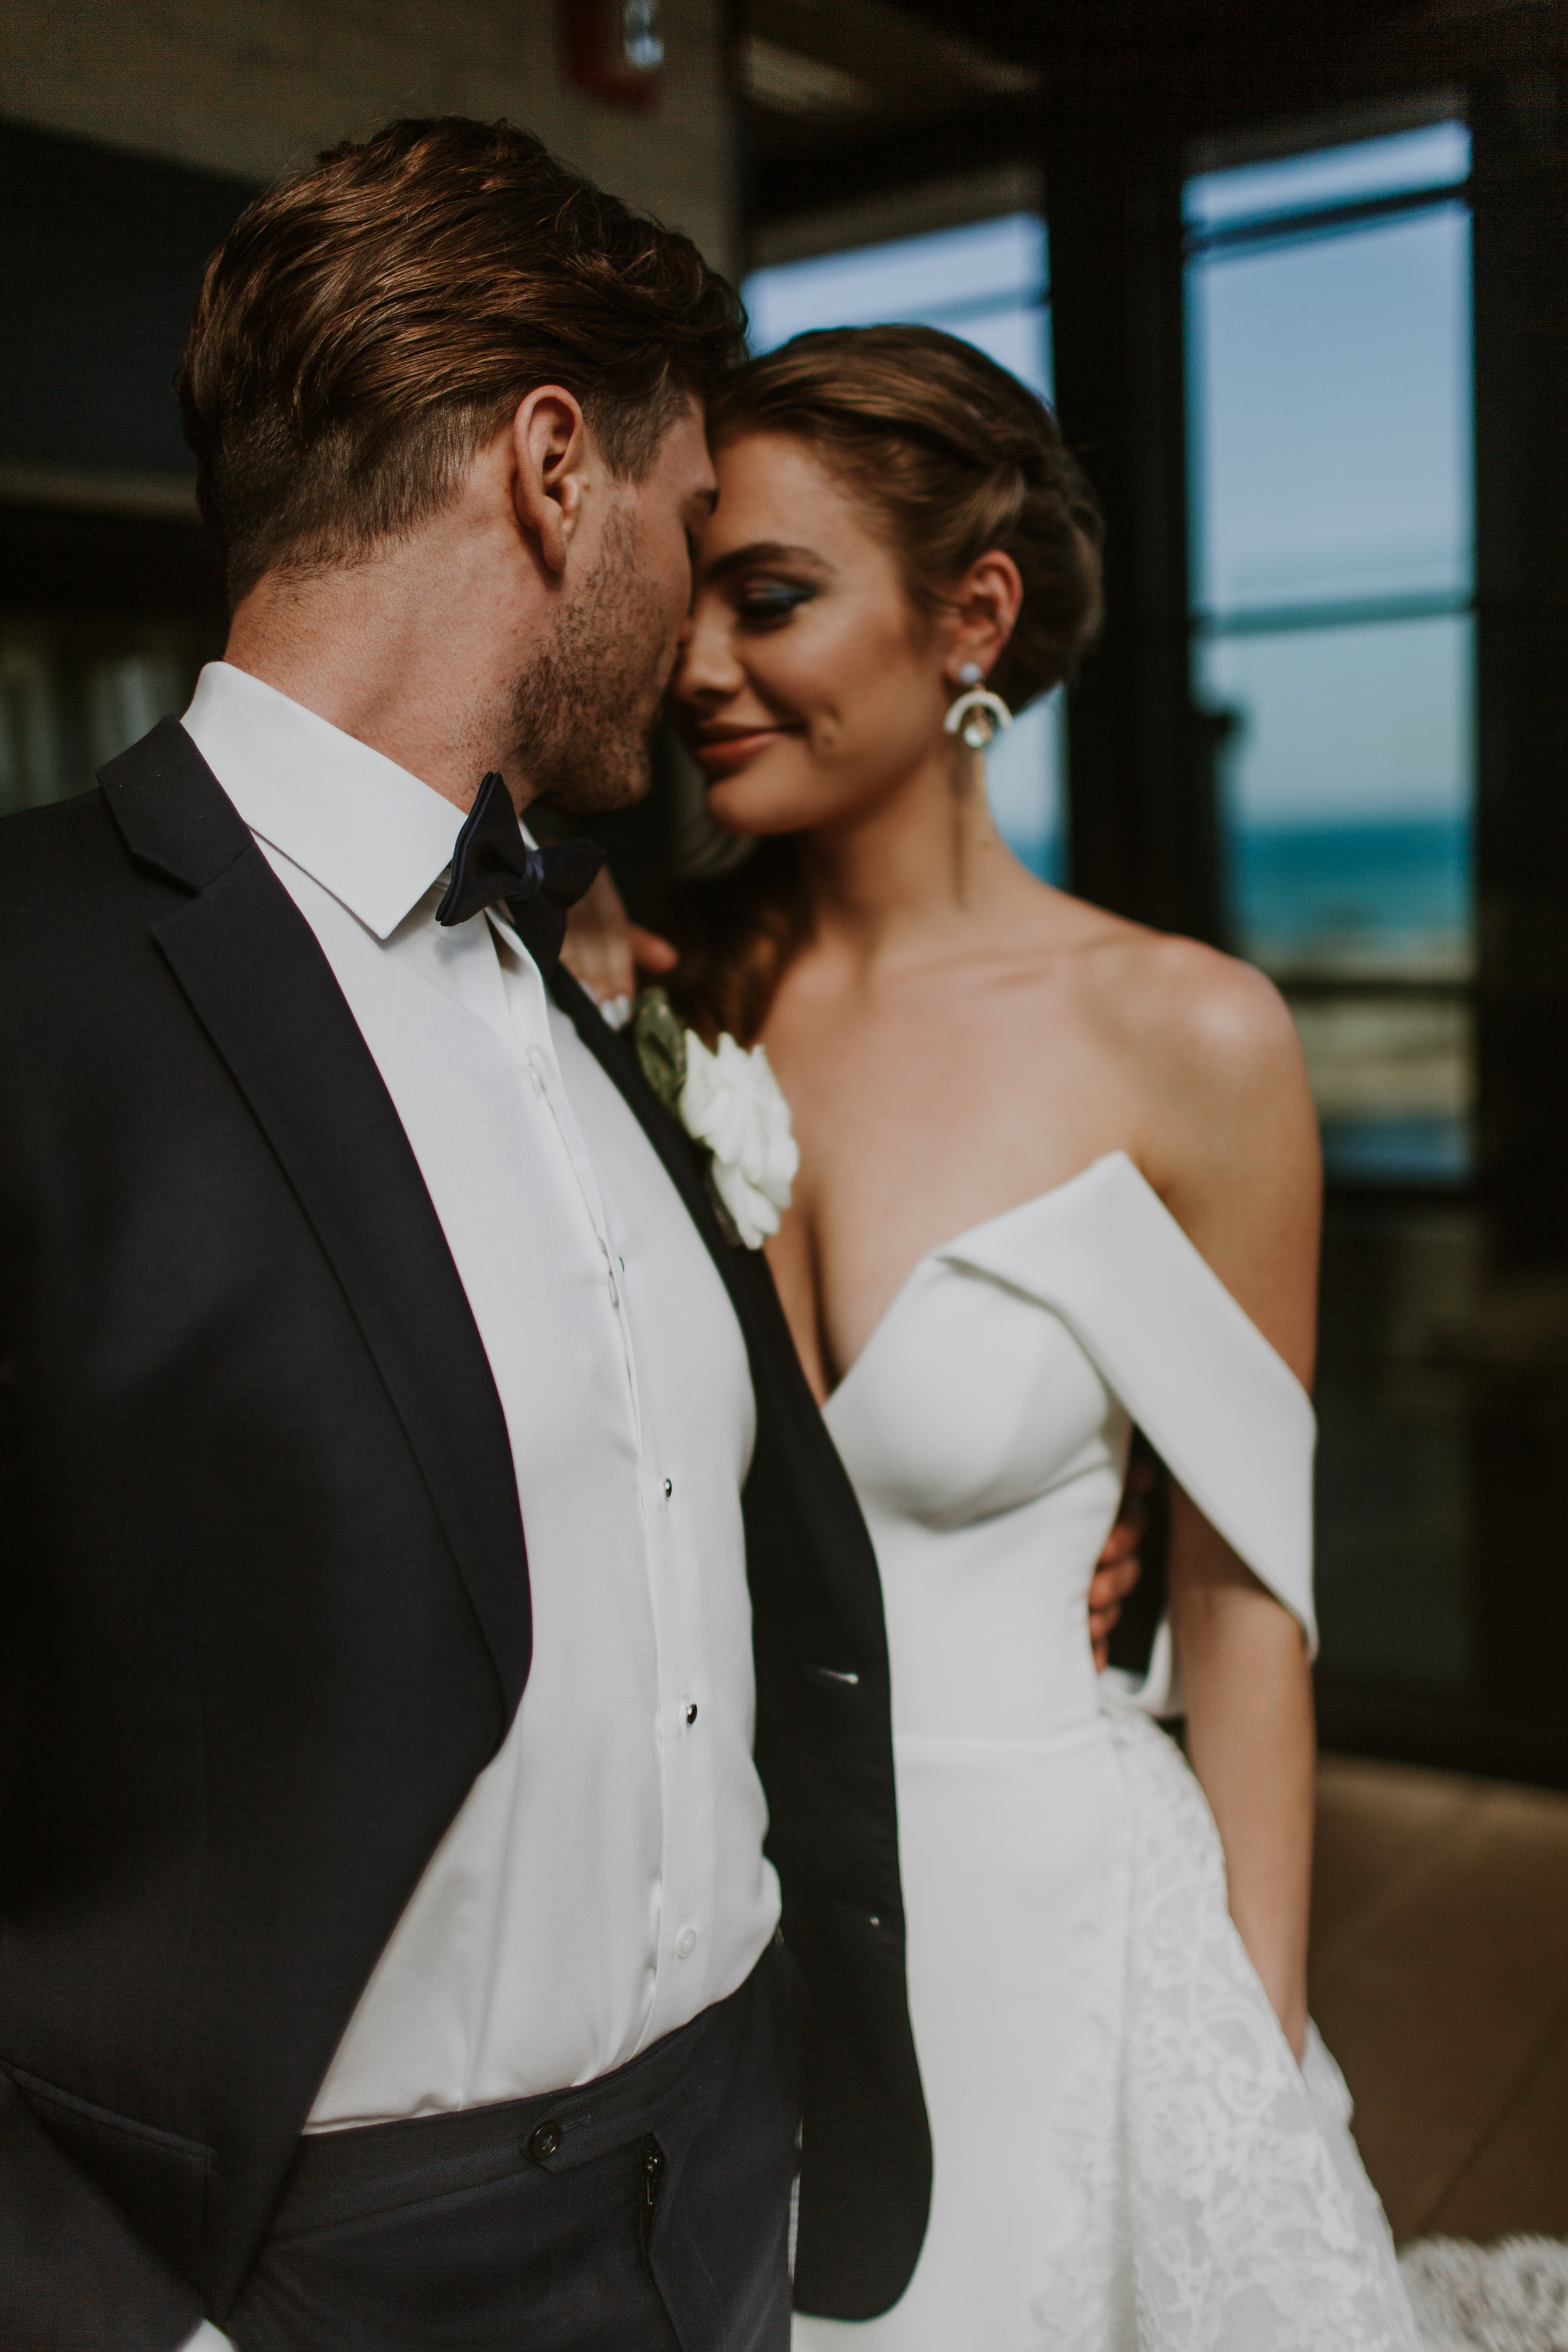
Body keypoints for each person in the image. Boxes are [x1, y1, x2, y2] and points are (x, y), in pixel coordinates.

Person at [0, 119, 947, 2352]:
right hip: (306, 2281)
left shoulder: (574, 979)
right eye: (692, 522)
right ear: (553, 469)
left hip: (724, 2188)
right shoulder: (26, 979)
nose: (697, 619)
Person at [580, 324, 1424, 2349]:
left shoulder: (1191, 1040)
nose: (699, 663)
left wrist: (1245, 2061)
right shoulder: (667, 1003)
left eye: (768, 598)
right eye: (689, 593)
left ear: (974, 614)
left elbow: (1240, 1604)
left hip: (1059, 1930)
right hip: (733, 1939)